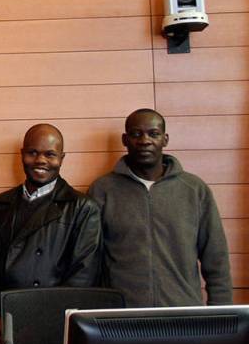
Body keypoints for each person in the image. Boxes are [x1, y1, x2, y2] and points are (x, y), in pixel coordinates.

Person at [88, 109, 232, 307]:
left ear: (165, 139)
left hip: (183, 314)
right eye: (136, 134)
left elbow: (216, 259)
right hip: (121, 316)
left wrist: (221, 314)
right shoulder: (103, 190)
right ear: (125, 139)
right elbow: (90, 260)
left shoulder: (194, 189)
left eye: (153, 134)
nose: (145, 140)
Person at [0, 123, 102, 344]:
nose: (41, 160)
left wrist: (42, 321)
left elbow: (83, 277)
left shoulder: (82, 208)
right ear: (22, 155)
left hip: (54, 326)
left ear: (62, 158)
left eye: (50, 154)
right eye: (33, 152)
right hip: (4, 326)